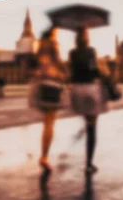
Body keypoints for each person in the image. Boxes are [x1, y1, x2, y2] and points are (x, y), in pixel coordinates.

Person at [69, 27, 107, 175]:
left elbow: (72, 72)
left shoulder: (72, 53)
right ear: (86, 38)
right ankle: (89, 164)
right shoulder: (91, 51)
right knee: (92, 128)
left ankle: (84, 127)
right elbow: (93, 70)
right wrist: (100, 69)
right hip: (89, 90)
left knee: (87, 121)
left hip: (76, 91)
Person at [29, 26, 65, 173]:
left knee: (46, 123)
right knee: (50, 123)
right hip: (52, 84)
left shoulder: (39, 46)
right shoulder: (53, 44)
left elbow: (34, 65)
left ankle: (44, 155)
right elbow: (58, 64)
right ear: (53, 32)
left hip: (41, 85)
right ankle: (44, 156)